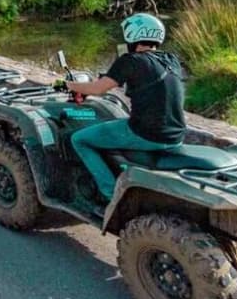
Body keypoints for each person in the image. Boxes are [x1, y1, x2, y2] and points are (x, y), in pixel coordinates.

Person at [65, 13, 187, 204]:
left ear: (133, 37)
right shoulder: (172, 60)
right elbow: (149, 83)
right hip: (176, 135)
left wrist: (70, 86)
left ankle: (111, 194)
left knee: (79, 139)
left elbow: (98, 89)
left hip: (145, 134)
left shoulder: (130, 61)